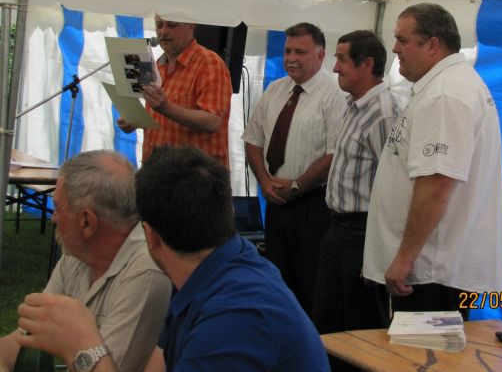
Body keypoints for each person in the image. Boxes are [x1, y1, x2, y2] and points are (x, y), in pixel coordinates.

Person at [17, 145, 330, 372]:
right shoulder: (219, 270)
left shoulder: (234, 319)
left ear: (150, 236)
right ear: (226, 212)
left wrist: (84, 347)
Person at [363, 3, 502, 317]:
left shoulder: (445, 94)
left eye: (403, 40)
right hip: (429, 269)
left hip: (430, 273)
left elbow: (437, 182)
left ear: (432, 45)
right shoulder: (445, 86)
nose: (394, 48)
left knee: (423, 350)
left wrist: (404, 259)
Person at [0, 150, 171, 372]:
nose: (53, 218)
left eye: (57, 208)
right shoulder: (77, 253)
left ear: (87, 222)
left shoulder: (146, 274)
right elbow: (27, 338)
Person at [242, 22, 346, 315]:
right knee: (278, 281)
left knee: (310, 284)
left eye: (300, 52)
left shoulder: (334, 96)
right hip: (276, 201)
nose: (291, 58)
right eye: (288, 51)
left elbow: (335, 154)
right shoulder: (275, 90)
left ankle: (311, 340)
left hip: (314, 204)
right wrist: (264, 181)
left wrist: (298, 185)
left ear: (320, 55)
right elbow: (252, 140)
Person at [313, 30, 397, 335]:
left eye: (342, 59)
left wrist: (378, 252)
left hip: (362, 234)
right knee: (327, 322)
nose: (335, 67)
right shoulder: (353, 104)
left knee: (362, 328)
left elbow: (394, 187)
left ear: (367, 64)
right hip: (337, 228)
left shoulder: (383, 113)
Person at [117, 15, 232, 167]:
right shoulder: (157, 65)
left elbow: (212, 121)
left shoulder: (209, 63)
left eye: (172, 25)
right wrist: (136, 120)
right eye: (159, 25)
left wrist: (166, 107)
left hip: (193, 175)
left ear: (190, 27)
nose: (163, 32)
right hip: (156, 171)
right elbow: (161, 117)